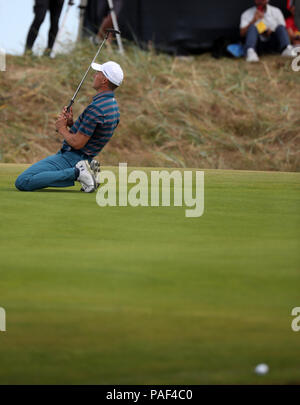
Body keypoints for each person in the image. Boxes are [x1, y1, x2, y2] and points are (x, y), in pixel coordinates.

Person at [15, 61, 124, 193]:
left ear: (104, 80)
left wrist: (62, 128)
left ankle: (79, 173)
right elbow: (93, 134)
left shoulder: (96, 108)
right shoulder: (112, 106)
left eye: (98, 73)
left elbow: (77, 143)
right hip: (85, 157)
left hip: (73, 158)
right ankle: (85, 170)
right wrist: (72, 124)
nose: (94, 75)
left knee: (23, 181)